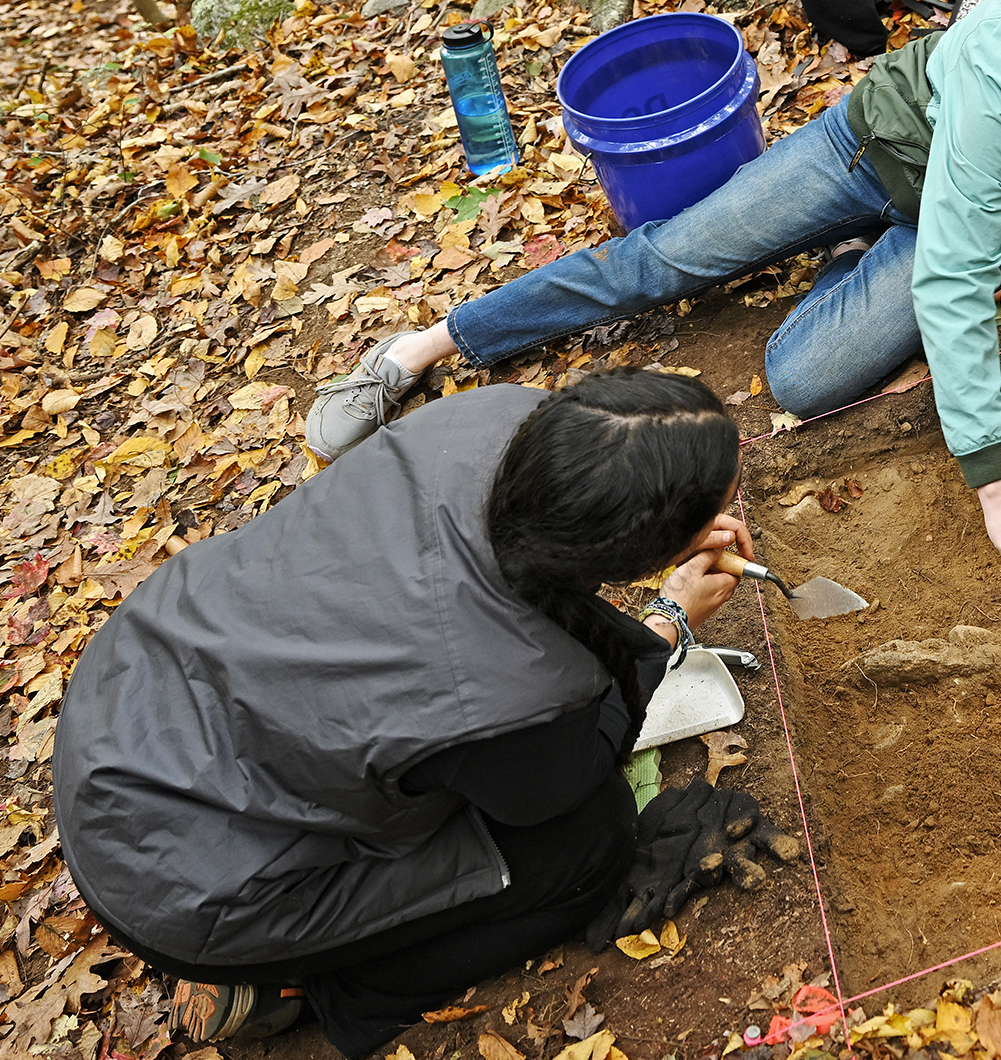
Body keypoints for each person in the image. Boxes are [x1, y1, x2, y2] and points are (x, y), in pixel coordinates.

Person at [304, 0, 1001, 581]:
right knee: (667, 259)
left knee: (804, 379)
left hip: (978, 213)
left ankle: (853, 262)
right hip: (871, 150)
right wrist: (996, 485)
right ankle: (429, 344)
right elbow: (956, 278)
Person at [55, 371, 754, 1056]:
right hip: (179, 879)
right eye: (718, 502)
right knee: (587, 843)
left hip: (127, 698)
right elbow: (560, 784)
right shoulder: (504, 687)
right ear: (638, 547)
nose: (733, 508)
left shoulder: (492, 420)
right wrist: (666, 624)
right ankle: (330, 990)